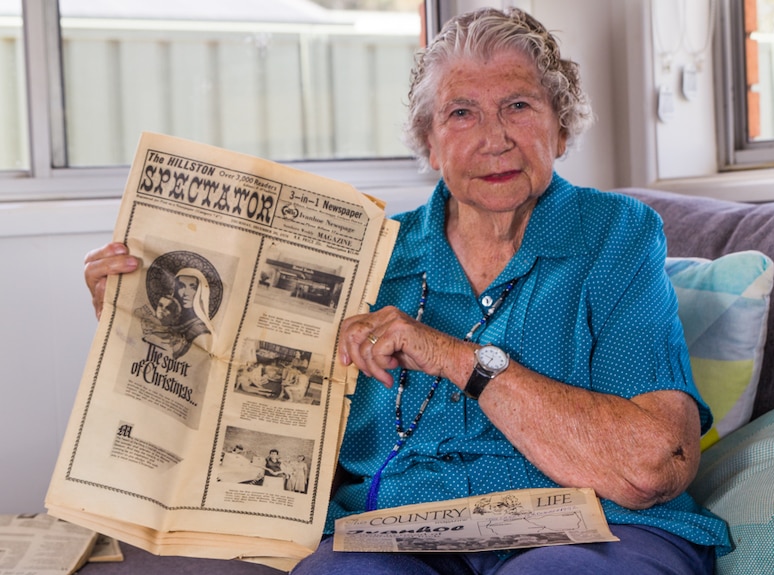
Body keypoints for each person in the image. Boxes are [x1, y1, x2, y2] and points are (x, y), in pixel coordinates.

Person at [83, 8, 730, 573]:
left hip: (595, 530)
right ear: (429, 142)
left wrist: (450, 356)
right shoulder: (367, 255)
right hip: (393, 536)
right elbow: (241, 424)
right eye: (461, 113)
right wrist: (142, 325)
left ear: (560, 127)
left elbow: (653, 464)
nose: (495, 136)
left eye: (519, 106)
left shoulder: (615, 237)